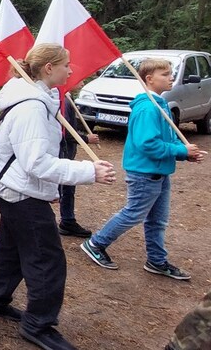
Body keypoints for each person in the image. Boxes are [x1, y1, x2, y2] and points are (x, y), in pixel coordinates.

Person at [0, 43, 116, 350]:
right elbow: (36, 162)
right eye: (67, 63)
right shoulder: (31, 107)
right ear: (49, 68)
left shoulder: (39, 101)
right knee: (47, 260)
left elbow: (32, 158)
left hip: (18, 190)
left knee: (11, 249)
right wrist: (89, 172)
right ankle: (38, 325)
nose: (72, 68)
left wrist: (47, 189)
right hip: (21, 193)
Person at [81, 58, 206, 279]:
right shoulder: (148, 108)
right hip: (145, 173)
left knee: (157, 220)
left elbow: (166, 137)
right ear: (149, 79)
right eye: (165, 74)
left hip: (160, 173)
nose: (170, 78)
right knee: (133, 213)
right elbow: (147, 144)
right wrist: (180, 151)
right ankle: (96, 243)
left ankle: (156, 261)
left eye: (170, 73)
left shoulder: (160, 103)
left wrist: (186, 152)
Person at [58, 90, 100, 237]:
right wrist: (86, 139)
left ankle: (68, 220)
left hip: (68, 152)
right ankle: (67, 220)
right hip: (63, 153)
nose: (82, 81)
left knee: (68, 188)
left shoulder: (69, 99)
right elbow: (66, 132)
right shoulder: (64, 101)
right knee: (65, 187)